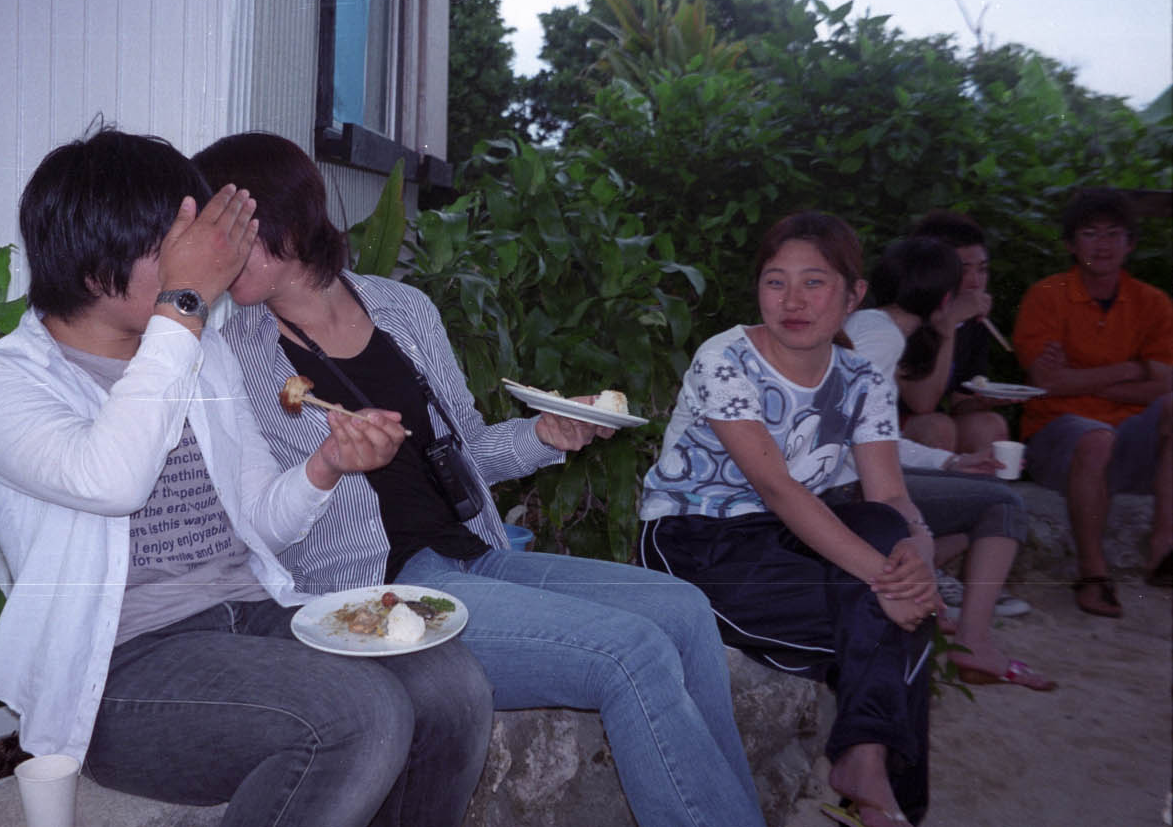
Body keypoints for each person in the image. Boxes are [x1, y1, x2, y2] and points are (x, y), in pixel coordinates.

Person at [195, 131, 766, 827]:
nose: (216, 252)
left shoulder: (404, 311)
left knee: (683, 610)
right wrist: (329, 465)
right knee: (631, 653)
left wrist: (545, 434)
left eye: (229, 230)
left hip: (475, 554)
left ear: (282, 223)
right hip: (378, 591)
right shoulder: (233, 357)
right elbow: (260, 526)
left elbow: (465, 450)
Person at [0, 127, 494, 827]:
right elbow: (113, 480)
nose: (209, 262)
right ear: (95, 266)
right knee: (358, 712)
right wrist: (181, 311)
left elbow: (260, 520)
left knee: (448, 683)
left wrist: (325, 466)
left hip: (254, 618)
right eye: (177, 247)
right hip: (124, 670)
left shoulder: (202, 358)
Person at [638, 212, 940, 827]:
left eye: (814, 282)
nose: (793, 301)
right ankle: (884, 795)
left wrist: (919, 557)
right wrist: (886, 581)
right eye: (776, 282)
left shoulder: (862, 378)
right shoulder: (726, 358)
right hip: (696, 540)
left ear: (853, 296)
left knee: (885, 537)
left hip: (785, 539)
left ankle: (866, 767)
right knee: (894, 615)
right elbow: (777, 489)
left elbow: (891, 495)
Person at [821, 236, 1051, 691]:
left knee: (975, 515)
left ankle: (918, 601)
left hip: (842, 479)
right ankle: (974, 645)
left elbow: (873, 433)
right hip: (839, 488)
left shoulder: (873, 326)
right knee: (1002, 505)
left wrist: (952, 462)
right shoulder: (880, 337)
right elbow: (850, 435)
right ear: (945, 300)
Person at [1012, 187, 1173, 617]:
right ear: (1070, 243)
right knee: (1096, 438)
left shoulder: (1153, 303)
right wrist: (1134, 368)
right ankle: (1093, 574)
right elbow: (1045, 382)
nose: (1102, 245)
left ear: (1130, 243)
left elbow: (1166, 384)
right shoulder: (1047, 296)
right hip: (1059, 438)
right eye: (1090, 234)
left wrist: (1077, 380)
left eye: (1113, 234)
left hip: (1131, 441)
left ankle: (1164, 547)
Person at [899, 211, 1012, 454]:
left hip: (928, 418)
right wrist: (949, 323)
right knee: (937, 428)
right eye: (963, 270)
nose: (975, 282)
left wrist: (983, 401)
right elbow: (921, 404)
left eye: (982, 270)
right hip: (881, 424)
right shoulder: (906, 317)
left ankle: (978, 481)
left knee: (989, 425)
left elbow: (961, 402)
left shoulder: (974, 323)